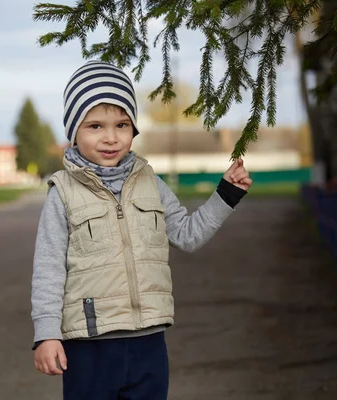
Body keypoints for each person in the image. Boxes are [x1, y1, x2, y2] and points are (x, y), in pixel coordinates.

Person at [31, 60, 252, 400]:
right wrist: (47, 334)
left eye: (122, 124)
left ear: (133, 129)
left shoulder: (151, 182)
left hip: (148, 341)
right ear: (73, 130)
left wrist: (226, 195)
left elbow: (187, 235)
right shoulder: (62, 193)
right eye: (95, 125)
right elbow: (47, 269)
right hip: (89, 347)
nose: (110, 137)